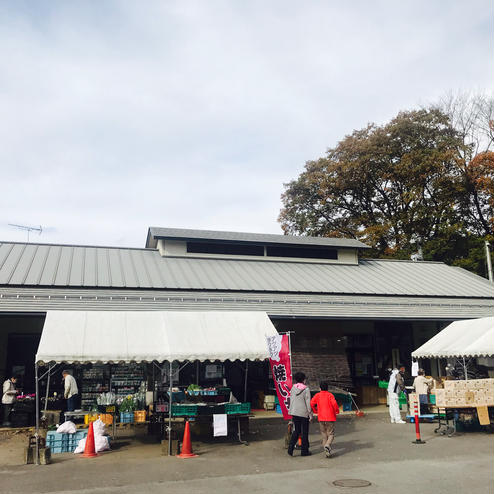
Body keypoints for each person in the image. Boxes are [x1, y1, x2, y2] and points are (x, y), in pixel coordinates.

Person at [310, 381, 340, 457]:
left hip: (321, 418)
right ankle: (327, 445)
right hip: (330, 418)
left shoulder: (317, 395)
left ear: (320, 388)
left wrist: (315, 410)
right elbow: (334, 404)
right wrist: (337, 410)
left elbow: (311, 403)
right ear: (327, 388)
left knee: (324, 434)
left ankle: (327, 452)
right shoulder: (330, 395)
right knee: (331, 434)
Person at [287, 371, 313, 457]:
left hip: (294, 412)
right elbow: (308, 403)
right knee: (304, 432)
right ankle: (304, 451)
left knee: (297, 430)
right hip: (303, 412)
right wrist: (310, 414)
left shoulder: (293, 388)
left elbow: (292, 400)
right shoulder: (306, 389)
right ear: (303, 380)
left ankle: (290, 449)